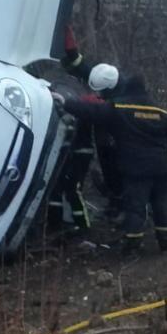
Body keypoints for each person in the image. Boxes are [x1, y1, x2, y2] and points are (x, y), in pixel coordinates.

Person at [57, 59, 167, 256]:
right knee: (162, 203)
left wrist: (65, 102)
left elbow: (92, 111)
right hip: (162, 166)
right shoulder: (161, 112)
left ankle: (132, 246)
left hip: (137, 169)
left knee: (136, 207)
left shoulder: (119, 109)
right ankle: (166, 242)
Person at [61, 26, 124, 219]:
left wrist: (76, 103)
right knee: (108, 169)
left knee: (118, 172)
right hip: (104, 139)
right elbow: (77, 63)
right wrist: (64, 32)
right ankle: (115, 199)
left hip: (119, 141)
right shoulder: (101, 76)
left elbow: (101, 110)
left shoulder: (123, 96)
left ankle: (123, 205)